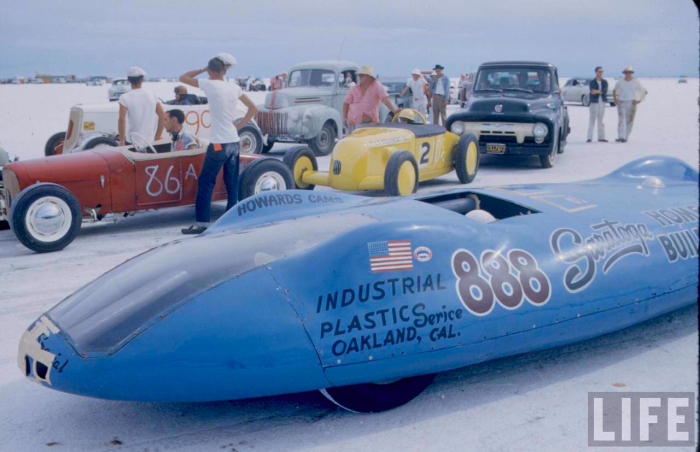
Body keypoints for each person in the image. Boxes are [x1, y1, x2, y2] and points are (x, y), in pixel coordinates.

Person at [178, 53, 258, 235]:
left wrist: (201, 70)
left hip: (218, 144)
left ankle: (202, 223)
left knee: (206, 182)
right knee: (231, 184)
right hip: (233, 142)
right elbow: (253, 108)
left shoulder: (209, 84)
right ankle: (233, 220)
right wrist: (239, 124)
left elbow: (183, 78)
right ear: (224, 69)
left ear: (210, 70)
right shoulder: (234, 87)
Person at [343, 65, 398, 133]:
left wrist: (394, 111)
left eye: (362, 75)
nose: (360, 77)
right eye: (359, 75)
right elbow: (346, 103)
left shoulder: (377, 86)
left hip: (369, 124)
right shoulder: (354, 88)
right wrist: (344, 118)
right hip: (353, 122)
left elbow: (385, 99)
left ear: (369, 76)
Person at [117, 67, 164, 146]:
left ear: (128, 80)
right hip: (150, 141)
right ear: (141, 79)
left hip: (132, 141)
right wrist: (157, 137)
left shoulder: (125, 97)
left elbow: (121, 120)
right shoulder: (152, 95)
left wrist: (122, 141)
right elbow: (162, 116)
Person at [613, 66, 647, 142]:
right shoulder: (620, 81)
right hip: (621, 102)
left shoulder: (636, 81)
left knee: (629, 121)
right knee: (621, 120)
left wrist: (639, 101)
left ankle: (625, 137)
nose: (628, 74)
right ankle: (621, 137)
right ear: (624, 73)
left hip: (631, 103)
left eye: (629, 72)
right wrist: (615, 100)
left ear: (631, 73)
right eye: (626, 72)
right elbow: (614, 91)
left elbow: (644, 91)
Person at [587, 66, 609, 142]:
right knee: (592, 119)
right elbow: (592, 91)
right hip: (594, 102)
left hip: (602, 102)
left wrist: (597, 91)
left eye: (601, 71)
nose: (600, 73)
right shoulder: (592, 82)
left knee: (601, 119)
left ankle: (601, 137)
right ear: (596, 72)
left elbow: (604, 91)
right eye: (599, 71)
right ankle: (589, 137)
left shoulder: (604, 82)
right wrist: (598, 91)